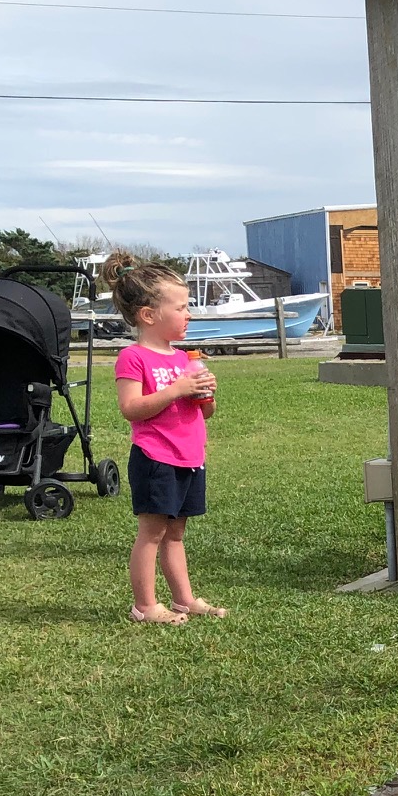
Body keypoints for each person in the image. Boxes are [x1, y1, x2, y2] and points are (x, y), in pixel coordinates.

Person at [111, 261, 225, 625]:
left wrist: (204, 396)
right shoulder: (133, 357)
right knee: (152, 533)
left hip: (189, 457)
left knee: (175, 534)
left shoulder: (182, 358)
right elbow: (131, 409)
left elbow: (204, 414)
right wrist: (176, 389)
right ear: (148, 314)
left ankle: (184, 599)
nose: (188, 315)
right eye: (180, 308)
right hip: (155, 458)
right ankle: (144, 606)